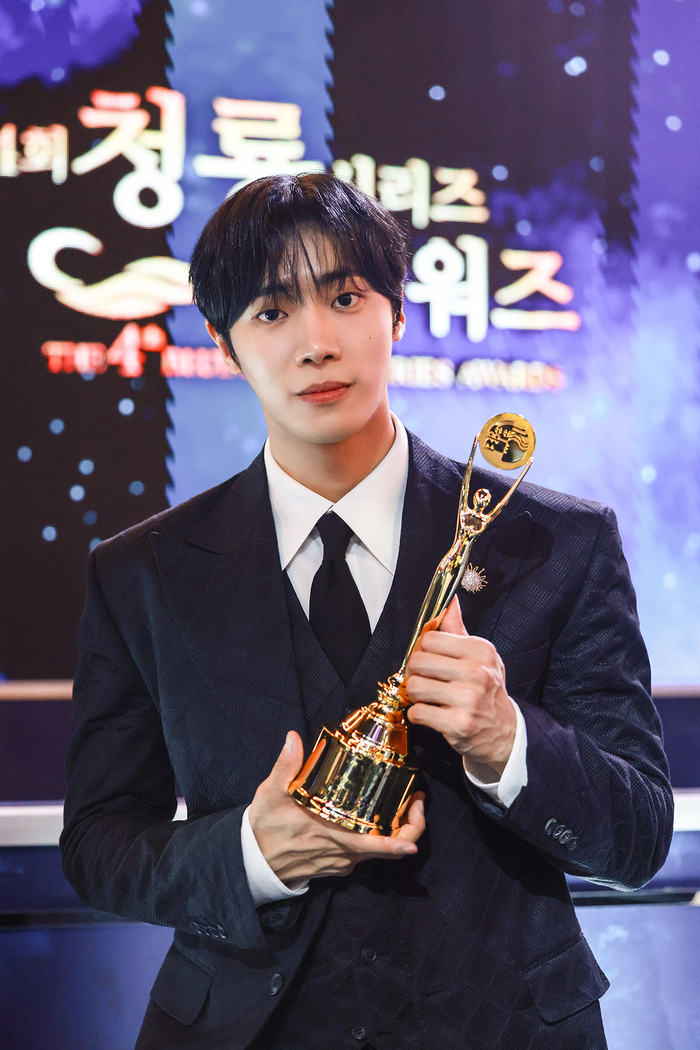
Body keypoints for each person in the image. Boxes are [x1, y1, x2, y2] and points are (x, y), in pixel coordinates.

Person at [61, 173, 673, 1050]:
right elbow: (98, 845)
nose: (317, 343)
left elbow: (639, 838)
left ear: (397, 312)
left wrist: (508, 741)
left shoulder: (554, 544)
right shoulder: (142, 574)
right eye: (272, 311)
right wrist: (251, 854)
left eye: (345, 298)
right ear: (224, 344)